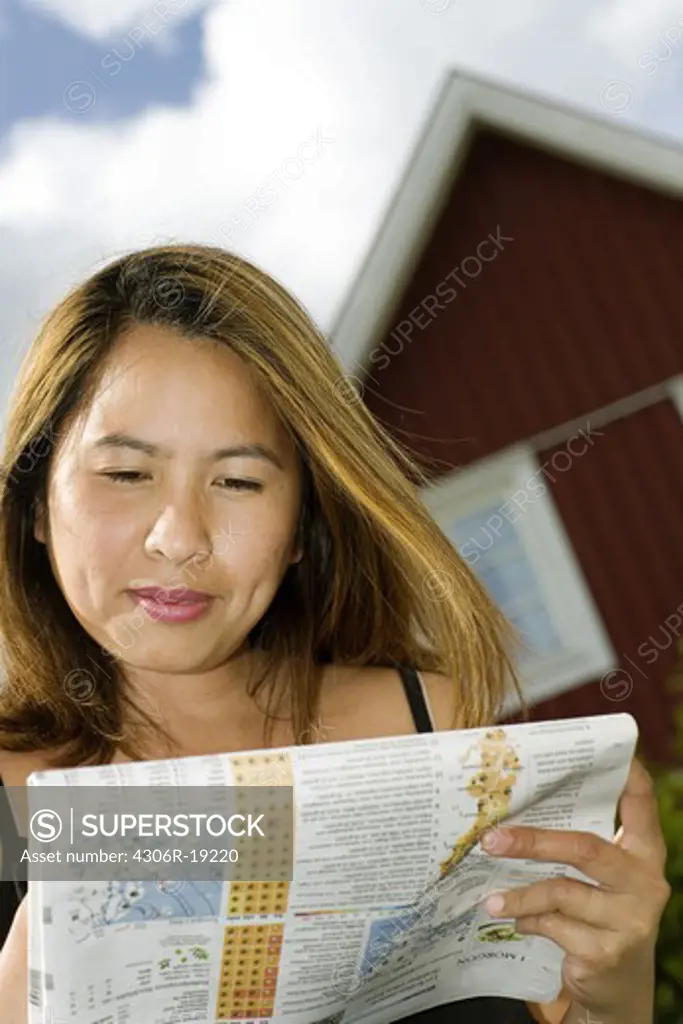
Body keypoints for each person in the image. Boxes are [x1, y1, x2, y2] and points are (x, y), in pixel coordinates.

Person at [0, 243, 670, 1024]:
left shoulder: (434, 730)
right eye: (125, 473)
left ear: (298, 528)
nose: (180, 536)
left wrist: (612, 987)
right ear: (35, 503)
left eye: (238, 481)